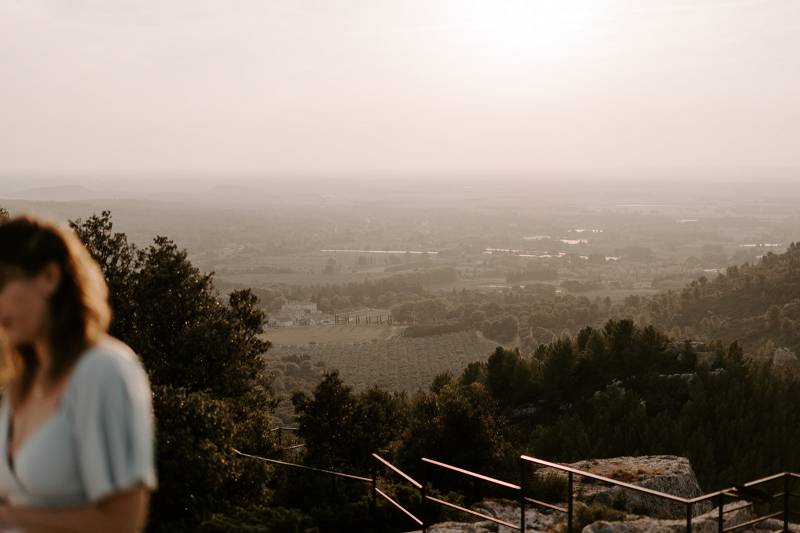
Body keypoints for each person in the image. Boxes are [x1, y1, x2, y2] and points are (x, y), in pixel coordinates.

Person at [0, 215, 156, 532]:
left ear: (49, 277)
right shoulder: (22, 382)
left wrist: (8, 518)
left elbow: (122, 522)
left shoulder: (104, 370)